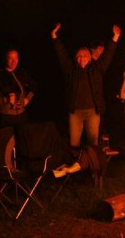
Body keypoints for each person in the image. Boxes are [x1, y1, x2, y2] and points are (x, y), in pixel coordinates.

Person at [51, 23, 121, 151]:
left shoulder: (97, 69)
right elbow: (61, 54)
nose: (82, 57)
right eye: (80, 55)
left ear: (89, 58)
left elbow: (108, 56)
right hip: (75, 113)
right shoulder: (70, 70)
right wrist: (55, 37)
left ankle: (93, 169)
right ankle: (75, 168)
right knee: (74, 144)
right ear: (76, 58)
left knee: (93, 144)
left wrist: (115, 37)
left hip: (92, 112)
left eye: (85, 55)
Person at [0, 48, 38, 128]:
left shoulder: (22, 73)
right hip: (5, 117)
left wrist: (27, 99)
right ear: (5, 59)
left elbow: (34, 86)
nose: (14, 61)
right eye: (11, 58)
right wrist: (6, 99)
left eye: (16, 58)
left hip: (22, 115)